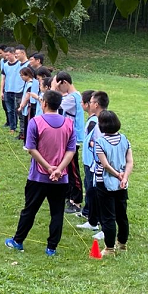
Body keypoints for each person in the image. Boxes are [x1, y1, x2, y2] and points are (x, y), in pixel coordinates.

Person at [5, 90, 76, 256]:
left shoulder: (36, 122)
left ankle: (18, 241)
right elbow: (71, 150)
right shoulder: (69, 123)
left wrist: (49, 168)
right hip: (60, 178)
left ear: (44, 103)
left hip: (38, 177)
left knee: (29, 210)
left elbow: (31, 148)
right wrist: (59, 169)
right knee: (57, 213)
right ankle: (52, 248)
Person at [93, 110, 133, 257]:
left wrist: (117, 175)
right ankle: (122, 244)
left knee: (108, 216)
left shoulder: (100, 142)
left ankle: (109, 248)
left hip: (105, 183)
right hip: (121, 184)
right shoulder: (124, 139)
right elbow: (130, 161)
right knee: (121, 214)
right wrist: (124, 177)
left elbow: (105, 165)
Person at [76, 90, 108, 231]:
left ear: (96, 104)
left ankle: (99, 222)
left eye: (92, 101)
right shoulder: (94, 120)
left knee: (95, 192)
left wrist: (92, 144)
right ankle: (92, 220)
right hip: (90, 162)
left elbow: (102, 143)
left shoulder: (98, 122)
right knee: (90, 190)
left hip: (94, 163)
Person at [55, 71, 84, 213]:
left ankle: (76, 201)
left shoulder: (72, 98)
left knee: (73, 171)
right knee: (68, 169)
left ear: (64, 83)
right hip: (69, 137)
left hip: (73, 139)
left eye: (59, 85)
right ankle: (69, 195)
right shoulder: (74, 96)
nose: (59, 89)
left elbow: (54, 103)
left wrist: (54, 89)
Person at [0, 47, 24, 133]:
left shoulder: (20, 64)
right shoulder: (5, 65)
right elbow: (3, 78)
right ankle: (12, 127)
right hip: (7, 90)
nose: (7, 57)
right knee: (10, 110)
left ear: (13, 54)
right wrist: (1, 91)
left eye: (8, 55)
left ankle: (21, 128)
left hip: (17, 91)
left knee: (18, 110)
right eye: (6, 55)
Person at [17, 66, 40, 141]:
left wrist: (21, 106)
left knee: (28, 124)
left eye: (22, 75)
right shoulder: (27, 83)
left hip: (29, 108)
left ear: (27, 75)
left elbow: (27, 97)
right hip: (26, 107)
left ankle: (27, 140)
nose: (21, 77)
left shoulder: (30, 84)